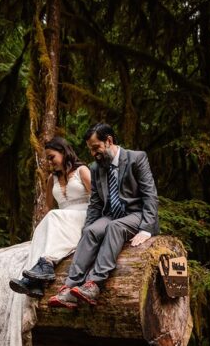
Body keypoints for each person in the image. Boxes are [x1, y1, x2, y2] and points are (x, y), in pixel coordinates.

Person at [49, 123, 159, 308]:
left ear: (108, 141)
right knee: (91, 230)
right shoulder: (96, 167)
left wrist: (147, 228)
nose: (93, 154)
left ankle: (94, 284)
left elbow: (150, 195)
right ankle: (69, 287)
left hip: (136, 214)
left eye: (95, 148)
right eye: (90, 150)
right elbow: (96, 203)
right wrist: (85, 231)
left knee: (113, 227)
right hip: (112, 215)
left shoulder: (136, 158)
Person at [9, 137, 92, 297]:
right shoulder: (51, 180)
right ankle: (35, 282)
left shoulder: (82, 171)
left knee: (53, 216)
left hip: (84, 216)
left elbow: (98, 198)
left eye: (51, 157)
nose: (49, 162)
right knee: (47, 222)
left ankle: (46, 264)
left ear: (63, 152)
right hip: (62, 219)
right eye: (47, 159)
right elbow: (48, 206)